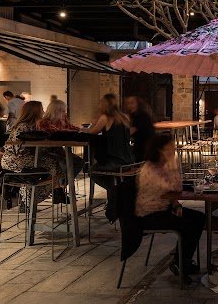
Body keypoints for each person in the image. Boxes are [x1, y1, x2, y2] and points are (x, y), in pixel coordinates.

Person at [136, 134, 204, 281]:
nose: (174, 151)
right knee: (189, 226)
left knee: (200, 218)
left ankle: (183, 260)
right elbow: (176, 187)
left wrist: (176, 204)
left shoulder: (161, 165)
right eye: (170, 149)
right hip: (150, 214)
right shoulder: (150, 169)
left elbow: (169, 193)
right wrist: (173, 164)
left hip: (165, 208)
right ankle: (180, 263)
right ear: (159, 150)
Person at [2, 101, 66, 204]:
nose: (43, 112)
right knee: (54, 164)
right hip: (15, 160)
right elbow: (21, 149)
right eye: (41, 109)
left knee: (56, 163)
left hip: (19, 158)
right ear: (35, 112)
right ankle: (38, 197)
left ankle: (52, 192)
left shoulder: (30, 125)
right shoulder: (24, 127)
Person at [85, 94, 135, 221]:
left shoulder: (105, 117)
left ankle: (115, 192)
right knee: (110, 176)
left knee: (92, 171)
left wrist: (91, 124)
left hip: (115, 160)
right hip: (129, 159)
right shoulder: (124, 117)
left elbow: (92, 132)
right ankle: (114, 196)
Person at [125, 96, 155, 162]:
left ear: (138, 104)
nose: (130, 106)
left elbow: (131, 131)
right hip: (140, 146)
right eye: (128, 103)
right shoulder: (133, 115)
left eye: (132, 103)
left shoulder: (142, 116)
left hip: (145, 148)